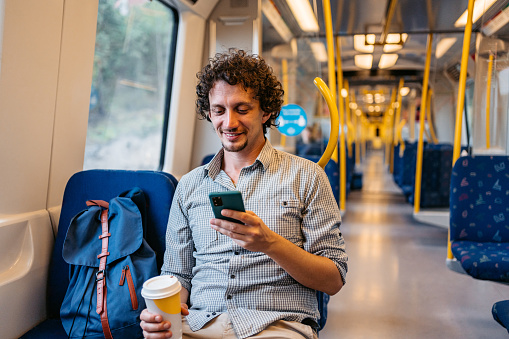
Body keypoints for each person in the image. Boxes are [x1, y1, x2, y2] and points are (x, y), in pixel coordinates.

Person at [140, 49, 347, 339]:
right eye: (219, 110)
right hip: (198, 326)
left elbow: (333, 279)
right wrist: (161, 317)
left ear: (267, 111)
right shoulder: (189, 186)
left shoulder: (307, 177)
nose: (229, 123)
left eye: (242, 109)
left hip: (276, 326)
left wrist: (270, 243)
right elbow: (178, 276)